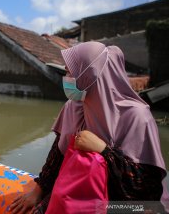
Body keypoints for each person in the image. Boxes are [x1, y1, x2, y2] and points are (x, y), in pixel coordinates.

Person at [9, 41, 168, 213]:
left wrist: (104, 151)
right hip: (75, 190)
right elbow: (57, 154)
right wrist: (38, 192)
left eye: (70, 72)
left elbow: (146, 188)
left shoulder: (137, 116)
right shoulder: (74, 106)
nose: (66, 77)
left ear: (89, 74)